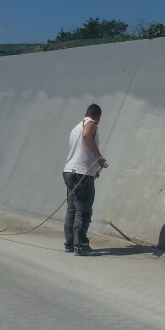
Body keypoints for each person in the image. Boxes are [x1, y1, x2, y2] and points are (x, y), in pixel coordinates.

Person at [63, 103, 107, 255]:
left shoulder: (75, 128)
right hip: (82, 174)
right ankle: (80, 246)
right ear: (97, 117)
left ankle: (70, 243)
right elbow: (87, 135)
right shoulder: (91, 124)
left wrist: (94, 169)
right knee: (83, 210)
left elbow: (80, 151)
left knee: (72, 209)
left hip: (69, 171)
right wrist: (99, 156)